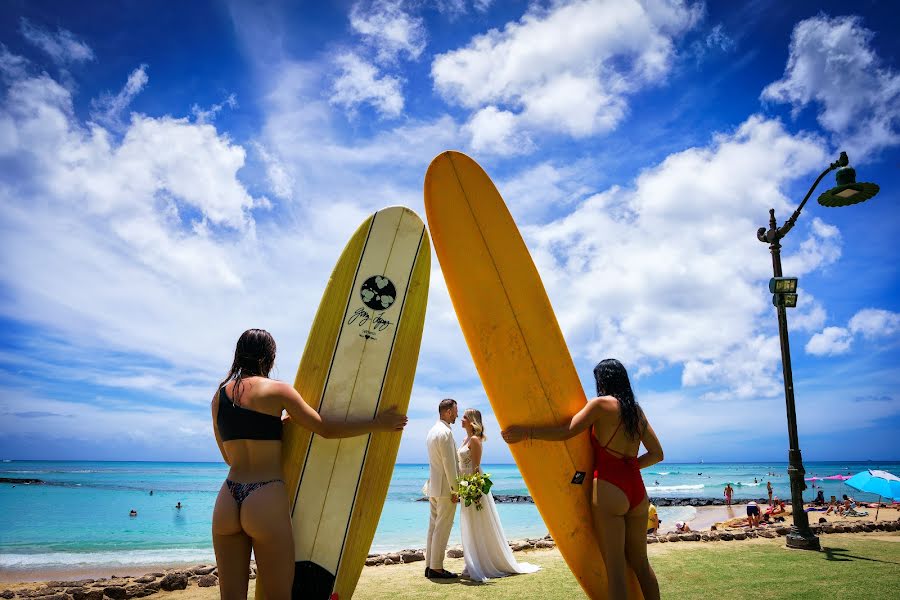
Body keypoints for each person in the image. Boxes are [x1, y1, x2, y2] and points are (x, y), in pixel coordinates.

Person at [211, 328, 407, 599]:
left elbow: (228, 457)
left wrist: (271, 428)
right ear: (269, 356)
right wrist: (378, 423)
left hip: (228, 498)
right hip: (264, 496)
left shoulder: (219, 397)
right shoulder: (278, 391)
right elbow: (325, 428)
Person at [502, 359, 663, 600]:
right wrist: (630, 467)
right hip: (637, 491)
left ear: (603, 381)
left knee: (616, 569)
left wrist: (527, 433)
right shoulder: (635, 412)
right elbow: (657, 454)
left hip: (610, 487)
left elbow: (566, 431)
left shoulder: (599, 405)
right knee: (641, 563)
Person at [457, 408, 540, 581]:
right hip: (464, 485)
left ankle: (484, 563)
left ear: (472, 420)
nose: (461, 419)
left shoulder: (475, 439)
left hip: (473, 486)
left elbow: (476, 467)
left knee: (478, 523)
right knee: (469, 524)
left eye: (464, 417)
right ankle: (473, 561)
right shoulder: (465, 439)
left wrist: (474, 490)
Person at [425, 399, 461, 579]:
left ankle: (429, 565)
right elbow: (449, 464)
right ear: (447, 412)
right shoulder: (445, 433)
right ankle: (436, 568)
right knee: (442, 527)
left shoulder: (432, 431)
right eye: (455, 411)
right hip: (445, 489)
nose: (457, 415)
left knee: (433, 527)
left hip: (433, 487)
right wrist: (456, 490)